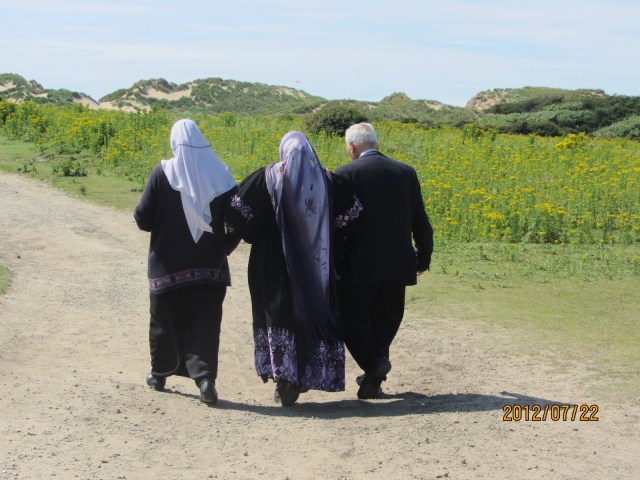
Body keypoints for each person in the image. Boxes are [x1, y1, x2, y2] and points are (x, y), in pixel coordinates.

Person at [225, 131, 362, 406]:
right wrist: (328, 236)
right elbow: (352, 215)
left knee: (279, 315)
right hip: (318, 265)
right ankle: (307, 376)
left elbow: (237, 215)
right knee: (311, 313)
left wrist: (241, 238)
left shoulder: (267, 178)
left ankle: (284, 380)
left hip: (272, 265)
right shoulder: (327, 180)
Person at [134, 119, 238, 405]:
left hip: (167, 267)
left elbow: (143, 219)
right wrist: (225, 247)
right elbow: (239, 220)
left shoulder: (162, 173)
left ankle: (159, 375)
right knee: (205, 324)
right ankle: (205, 381)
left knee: (163, 321)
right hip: (210, 270)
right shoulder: (221, 174)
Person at [335, 122, 433, 399]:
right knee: (384, 321)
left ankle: (374, 365)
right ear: (375, 143)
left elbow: (338, 224)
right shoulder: (405, 172)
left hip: (358, 265)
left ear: (351, 146)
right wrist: (423, 258)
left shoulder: (344, 174)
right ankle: (373, 381)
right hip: (397, 263)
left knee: (350, 319)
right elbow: (420, 220)